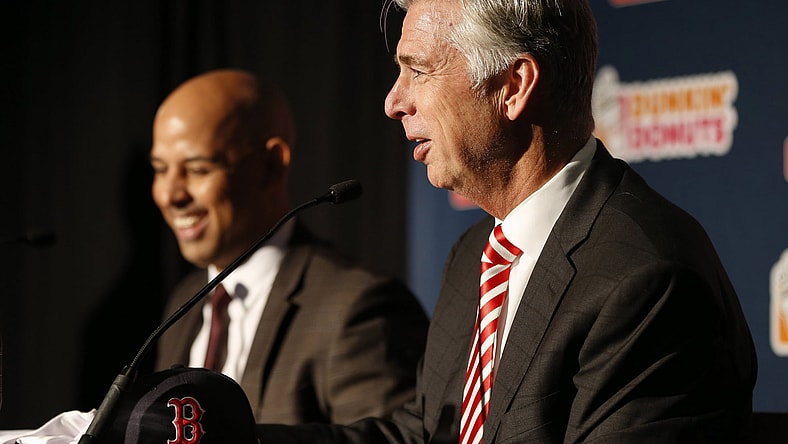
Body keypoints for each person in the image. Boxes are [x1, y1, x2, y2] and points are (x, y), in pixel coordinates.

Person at [257, 0, 758, 442]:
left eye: (419, 71)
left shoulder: (646, 281)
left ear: (513, 86)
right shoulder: (476, 253)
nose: (393, 102)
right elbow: (425, 433)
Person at [149, 68, 429, 425]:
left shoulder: (357, 308)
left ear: (271, 166)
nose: (170, 195)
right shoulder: (184, 304)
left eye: (198, 169)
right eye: (160, 169)